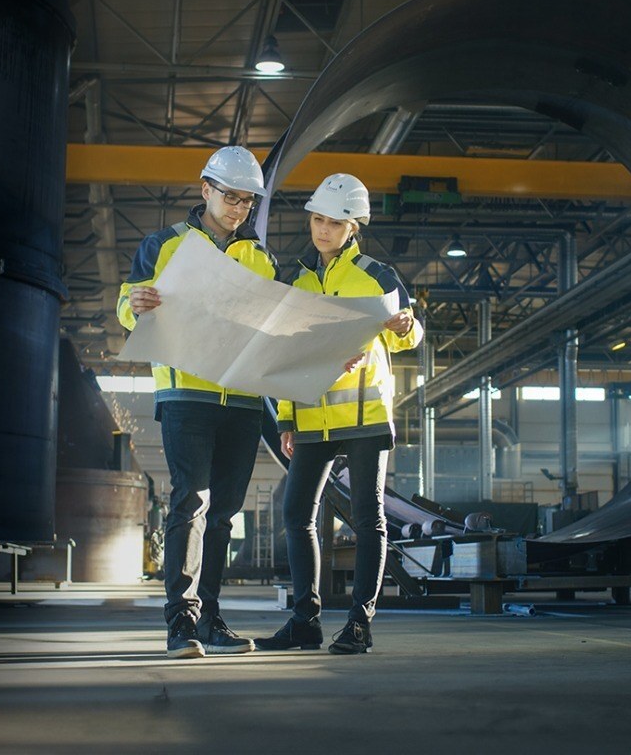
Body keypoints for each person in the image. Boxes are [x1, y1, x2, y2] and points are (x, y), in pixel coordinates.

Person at [117, 146, 277, 659]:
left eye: (248, 201)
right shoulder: (163, 245)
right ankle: (180, 623)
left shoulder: (262, 259)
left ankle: (209, 619)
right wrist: (133, 305)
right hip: (188, 394)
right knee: (191, 503)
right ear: (205, 188)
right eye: (231, 196)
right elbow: (129, 304)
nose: (239, 208)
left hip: (245, 400)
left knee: (225, 515)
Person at [254, 172, 422, 655]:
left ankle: (359, 623)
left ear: (354, 227)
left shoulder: (377, 275)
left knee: (368, 518)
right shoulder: (296, 280)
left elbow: (407, 336)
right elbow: (284, 355)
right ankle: (304, 621)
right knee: (296, 513)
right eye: (317, 219)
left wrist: (408, 325)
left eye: (335, 222)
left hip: (364, 414)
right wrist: (285, 417)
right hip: (309, 415)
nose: (323, 229)